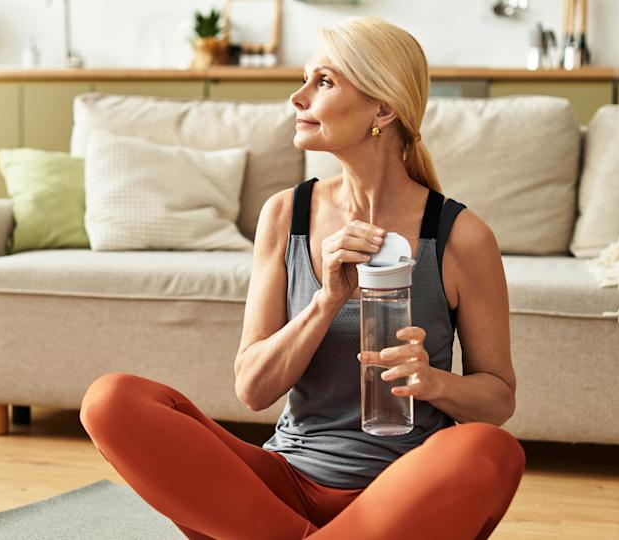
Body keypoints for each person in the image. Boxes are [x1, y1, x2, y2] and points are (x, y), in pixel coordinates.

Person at [80, 15, 525, 540]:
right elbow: (253, 388)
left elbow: (497, 400)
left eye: (325, 81)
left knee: (490, 451)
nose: (298, 97)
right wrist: (325, 300)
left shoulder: (461, 237)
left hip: (401, 497)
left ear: (382, 108)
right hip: (278, 488)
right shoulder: (284, 215)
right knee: (111, 401)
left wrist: (433, 382)